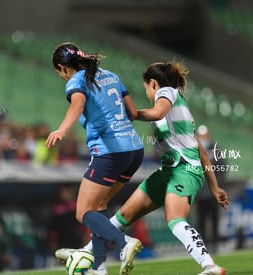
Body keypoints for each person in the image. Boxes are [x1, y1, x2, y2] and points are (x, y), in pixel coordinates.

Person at [56, 61, 229, 275]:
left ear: (153, 83)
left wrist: (130, 113)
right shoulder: (177, 109)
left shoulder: (167, 93)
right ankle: (86, 252)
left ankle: (210, 266)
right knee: (124, 215)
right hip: (168, 172)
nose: (146, 92)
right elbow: (200, 149)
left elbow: (156, 113)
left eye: (146, 87)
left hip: (185, 170)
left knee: (174, 218)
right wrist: (214, 187)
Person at [45, 42, 144, 275]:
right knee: (98, 206)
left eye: (59, 72)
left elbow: (78, 105)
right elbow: (132, 113)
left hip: (110, 152)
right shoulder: (111, 75)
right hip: (134, 151)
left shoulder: (76, 81)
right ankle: (99, 268)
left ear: (62, 67)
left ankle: (124, 243)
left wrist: (61, 130)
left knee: (83, 212)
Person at [196, 125, 227, 247]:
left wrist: (216, 186)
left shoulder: (215, 149)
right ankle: (203, 246)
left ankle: (215, 243)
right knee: (201, 221)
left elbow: (222, 169)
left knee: (214, 219)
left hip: (212, 193)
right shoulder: (193, 150)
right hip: (200, 193)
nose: (203, 138)